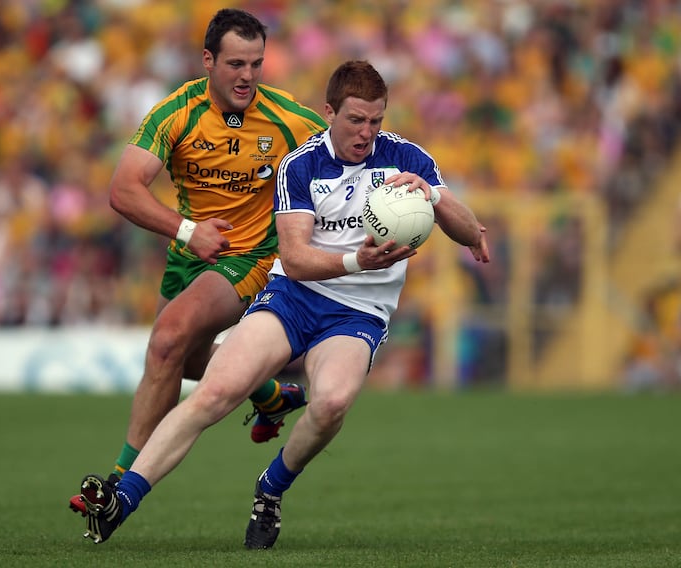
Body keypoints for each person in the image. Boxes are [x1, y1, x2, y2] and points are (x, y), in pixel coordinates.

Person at [76, 59, 490, 548]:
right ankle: (121, 500)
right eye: (356, 120)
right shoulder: (301, 165)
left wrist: (435, 199)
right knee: (214, 393)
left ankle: (270, 490)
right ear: (329, 112)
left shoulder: (407, 159)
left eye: (376, 120)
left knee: (332, 402)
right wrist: (358, 261)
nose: (366, 131)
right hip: (293, 297)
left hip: (358, 313)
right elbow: (293, 260)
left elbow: (472, 234)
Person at [68, 9, 328, 515]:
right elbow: (122, 189)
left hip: (252, 257)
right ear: (208, 60)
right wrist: (189, 231)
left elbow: (349, 151)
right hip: (192, 252)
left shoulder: (289, 118)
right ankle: (269, 393)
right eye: (235, 63)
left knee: (166, 340)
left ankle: (119, 485)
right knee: (185, 361)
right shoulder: (177, 112)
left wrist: (415, 185)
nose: (247, 76)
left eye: (256, 64)